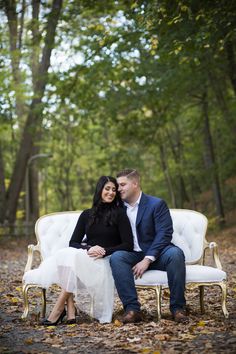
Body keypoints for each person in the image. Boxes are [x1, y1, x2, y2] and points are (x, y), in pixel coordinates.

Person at [39, 176, 133, 325]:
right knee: (67, 254)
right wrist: (90, 248)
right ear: (99, 190)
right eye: (107, 189)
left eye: (114, 190)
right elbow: (73, 242)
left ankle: (60, 310)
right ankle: (69, 309)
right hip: (86, 257)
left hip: (105, 261)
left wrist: (104, 251)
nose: (111, 192)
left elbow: (128, 244)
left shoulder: (120, 214)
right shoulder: (86, 214)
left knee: (70, 258)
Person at [110, 169, 188, 324]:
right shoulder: (117, 208)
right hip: (132, 254)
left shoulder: (156, 204)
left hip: (158, 254)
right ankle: (132, 310)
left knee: (176, 254)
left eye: (122, 185)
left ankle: (178, 309)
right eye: (117, 186)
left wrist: (147, 259)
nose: (118, 189)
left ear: (135, 184)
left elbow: (165, 233)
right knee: (117, 257)